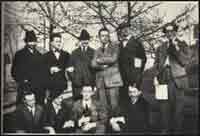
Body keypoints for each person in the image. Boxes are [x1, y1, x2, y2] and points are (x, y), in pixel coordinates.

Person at [153, 23, 190, 134]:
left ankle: (177, 132)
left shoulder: (182, 44)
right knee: (164, 111)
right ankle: (165, 132)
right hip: (163, 80)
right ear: (165, 33)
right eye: (167, 31)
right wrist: (155, 77)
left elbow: (184, 61)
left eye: (171, 31)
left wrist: (176, 47)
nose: (169, 33)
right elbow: (156, 64)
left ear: (175, 32)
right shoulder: (160, 47)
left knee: (178, 111)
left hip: (178, 80)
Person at [91, 27, 123, 117]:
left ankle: (116, 126)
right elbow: (93, 64)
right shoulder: (97, 50)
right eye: (102, 36)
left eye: (106, 35)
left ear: (109, 36)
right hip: (100, 82)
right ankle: (105, 127)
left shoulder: (115, 47)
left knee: (114, 105)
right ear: (99, 37)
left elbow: (113, 59)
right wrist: (102, 65)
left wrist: (99, 60)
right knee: (103, 107)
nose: (104, 37)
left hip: (113, 80)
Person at [11, 30, 46, 105]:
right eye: (30, 41)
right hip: (26, 88)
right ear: (26, 42)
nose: (32, 43)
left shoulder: (40, 55)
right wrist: (23, 80)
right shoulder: (19, 55)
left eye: (34, 41)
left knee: (39, 111)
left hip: (39, 89)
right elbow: (14, 71)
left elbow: (43, 72)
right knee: (24, 112)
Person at [117, 23, 147, 107]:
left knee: (135, 101)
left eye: (127, 28)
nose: (125, 30)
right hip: (122, 79)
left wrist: (136, 77)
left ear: (130, 29)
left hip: (133, 78)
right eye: (123, 29)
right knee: (123, 101)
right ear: (121, 31)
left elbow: (142, 60)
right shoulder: (119, 45)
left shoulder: (137, 44)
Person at [43, 33, 74, 102]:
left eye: (60, 41)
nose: (59, 43)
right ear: (51, 43)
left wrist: (70, 69)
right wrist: (50, 70)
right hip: (50, 87)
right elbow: (42, 71)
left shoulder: (66, 55)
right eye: (57, 41)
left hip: (63, 87)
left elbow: (70, 67)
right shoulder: (45, 56)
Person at [70, 29, 95, 101]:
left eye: (86, 39)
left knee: (89, 106)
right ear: (80, 41)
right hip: (77, 85)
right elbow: (69, 69)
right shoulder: (74, 53)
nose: (85, 41)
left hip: (89, 85)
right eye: (83, 39)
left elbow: (96, 70)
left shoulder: (94, 52)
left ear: (89, 40)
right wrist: (74, 79)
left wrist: (94, 83)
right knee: (77, 106)